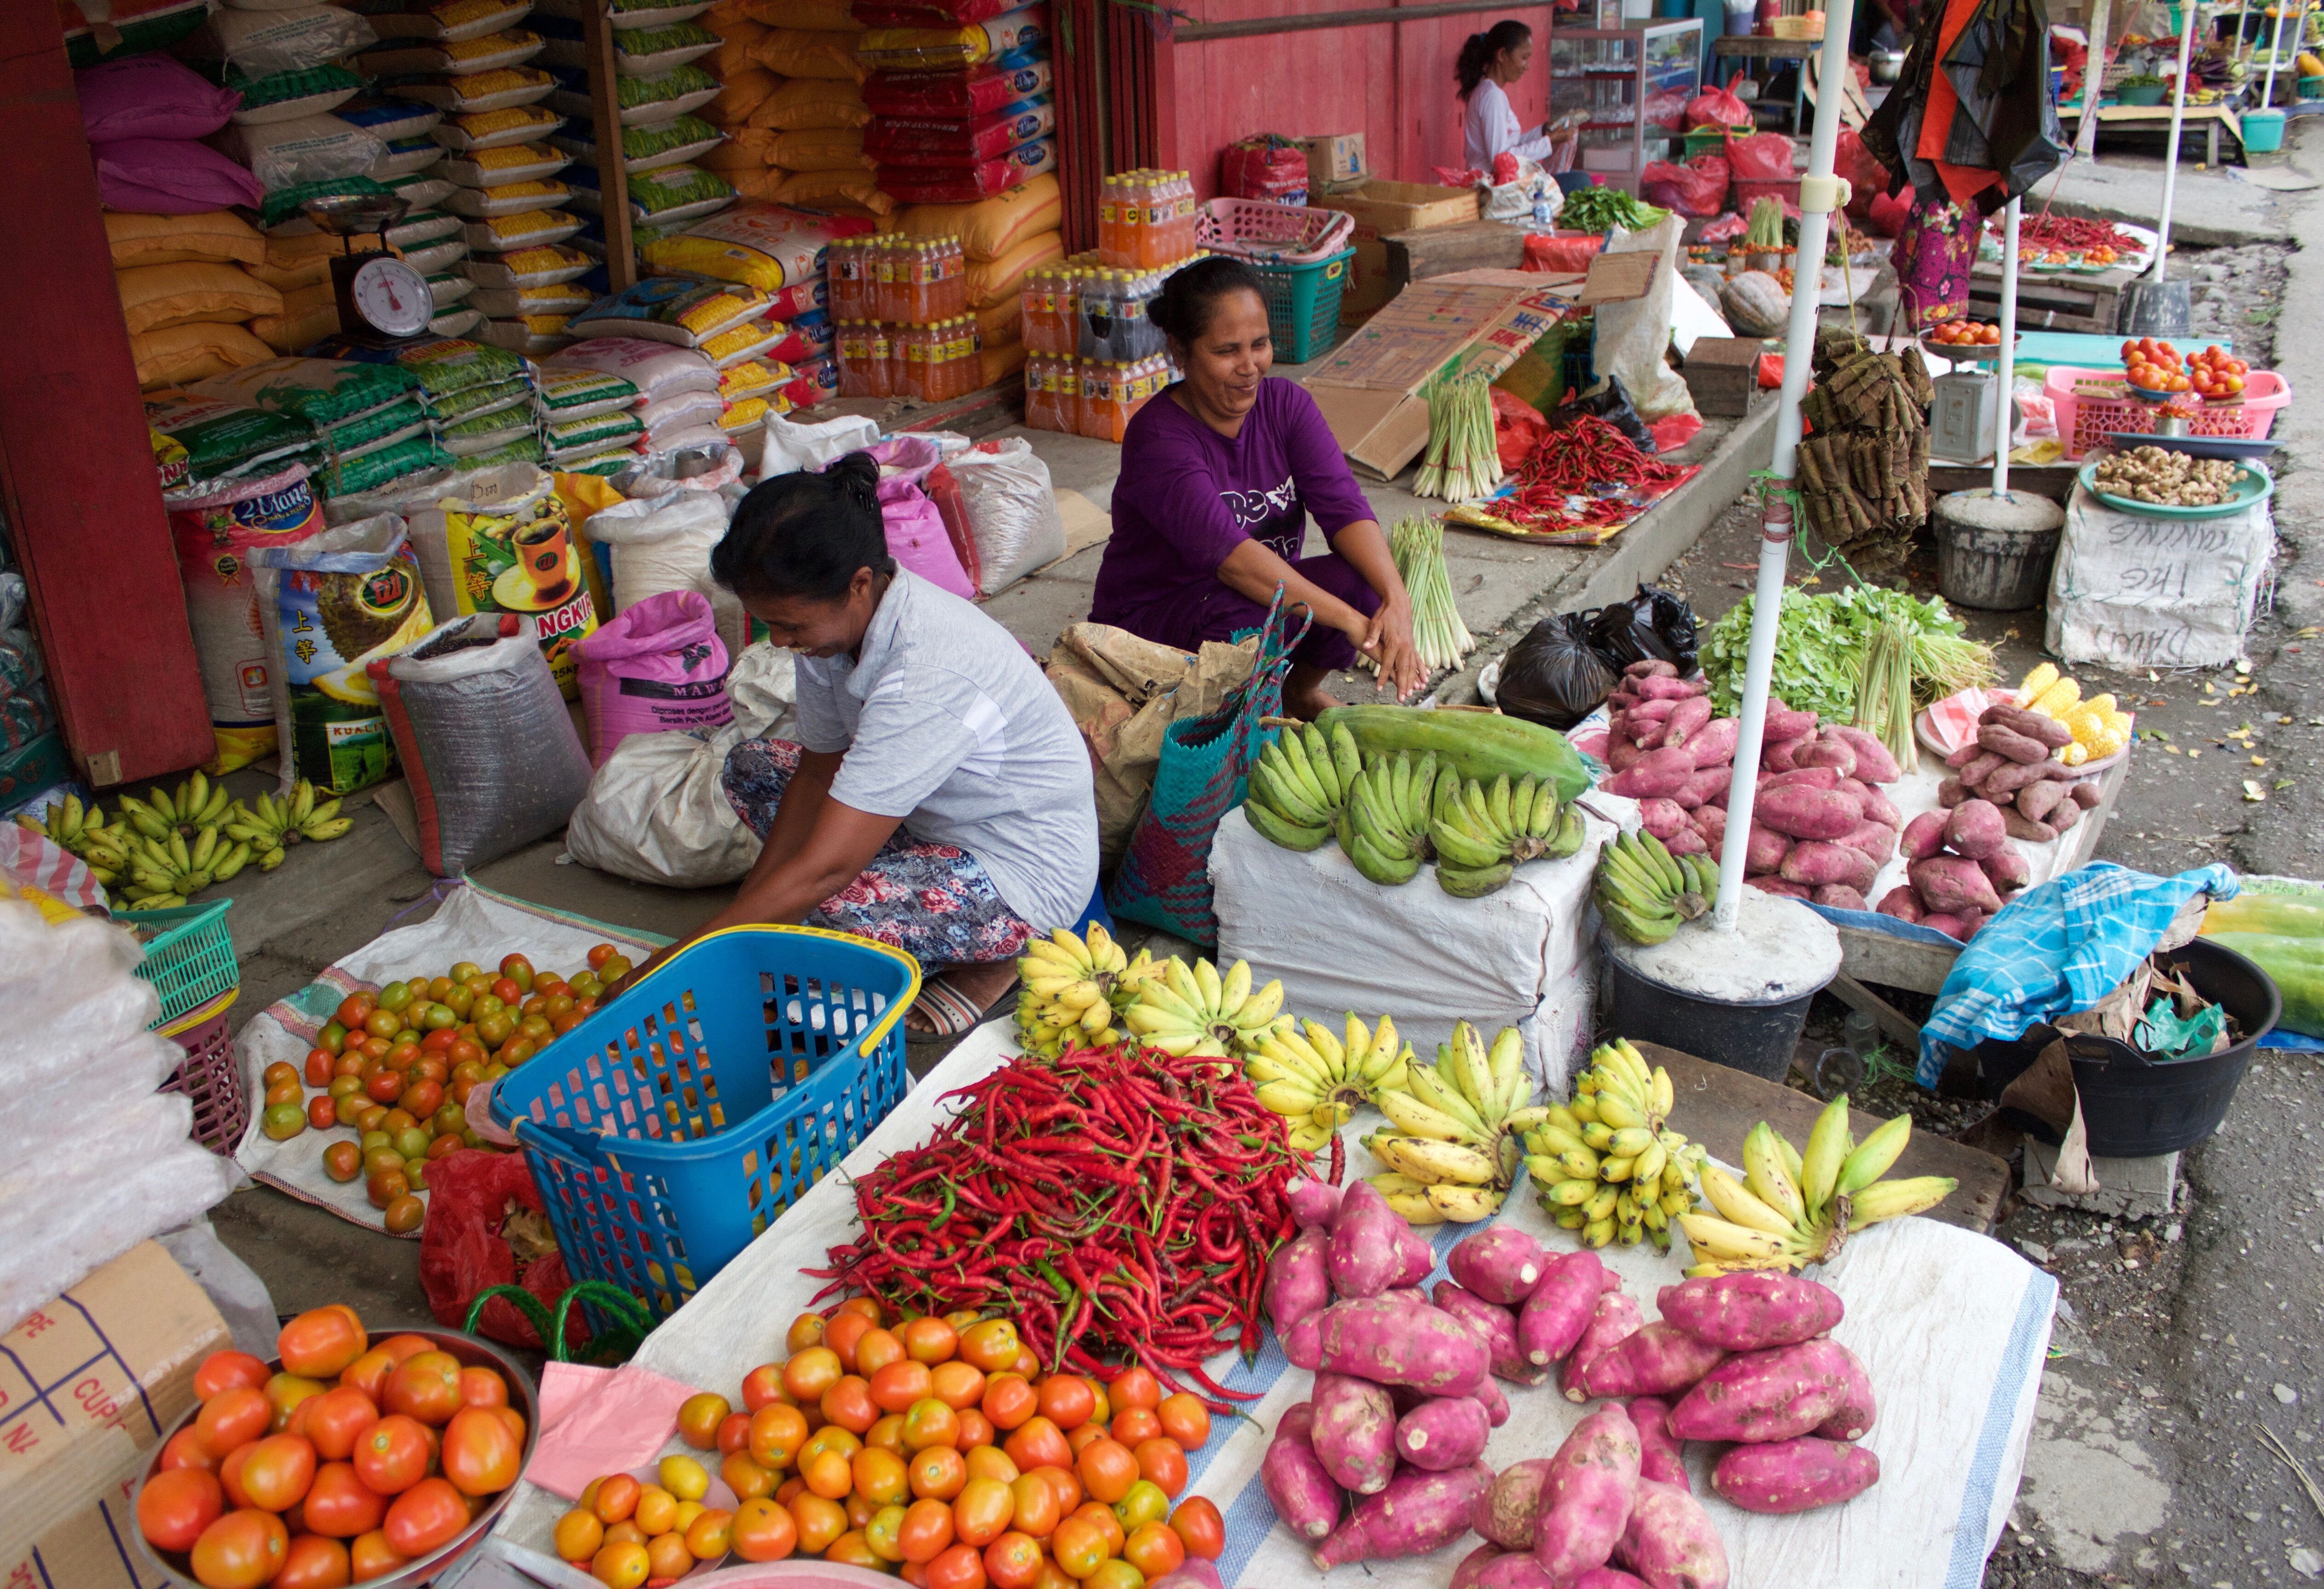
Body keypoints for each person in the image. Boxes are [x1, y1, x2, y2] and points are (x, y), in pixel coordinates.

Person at [617, 453, 1099, 1038]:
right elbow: (819, 772)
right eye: (770, 624)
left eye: (791, 625)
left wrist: (681, 963)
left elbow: (829, 869)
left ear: (859, 585)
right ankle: (874, 928)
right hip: (931, 825)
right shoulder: (836, 633)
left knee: (825, 906)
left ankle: (1002, 955)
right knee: (753, 769)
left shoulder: (928, 670)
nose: (781, 641)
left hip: (1019, 871)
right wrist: (751, 910)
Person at [1088, 257, 1422, 720]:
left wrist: (1395, 599)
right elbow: (1235, 565)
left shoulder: (1286, 406)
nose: (1249, 367)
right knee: (1254, 623)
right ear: (1180, 351)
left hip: (1248, 602)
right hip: (1150, 623)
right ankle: (1233, 725)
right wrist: (1348, 621)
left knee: (1357, 583)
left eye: (1259, 345)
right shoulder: (1158, 439)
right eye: (1227, 351)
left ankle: (1296, 694)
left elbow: (1344, 509)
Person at [1459, 20, 1558, 173]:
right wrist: (1549, 142)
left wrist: (1542, 133)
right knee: (1578, 180)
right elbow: (1500, 160)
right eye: (1524, 58)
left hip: (1491, 184)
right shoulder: (1492, 96)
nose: (1527, 66)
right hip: (1490, 190)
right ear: (1502, 55)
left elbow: (1509, 146)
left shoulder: (1489, 91)